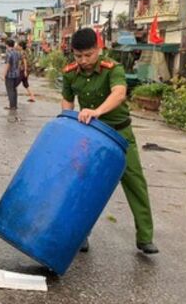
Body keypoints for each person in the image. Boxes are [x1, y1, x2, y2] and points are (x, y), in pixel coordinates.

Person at [61, 28, 158, 255]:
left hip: (120, 135)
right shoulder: (70, 73)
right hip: (91, 136)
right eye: (78, 56)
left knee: (135, 183)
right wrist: (68, 124)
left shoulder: (112, 69)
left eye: (88, 55)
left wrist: (97, 111)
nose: (83, 61)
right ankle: (81, 235)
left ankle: (145, 237)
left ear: (99, 49)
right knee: (85, 184)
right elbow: (67, 101)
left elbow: (119, 93)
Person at [3, 39, 21, 110]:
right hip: (16, 74)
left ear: (7, 45)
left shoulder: (8, 53)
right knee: (14, 89)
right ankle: (15, 105)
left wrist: (4, 74)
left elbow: (8, 64)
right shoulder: (17, 53)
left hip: (10, 74)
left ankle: (11, 106)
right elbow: (19, 63)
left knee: (10, 90)